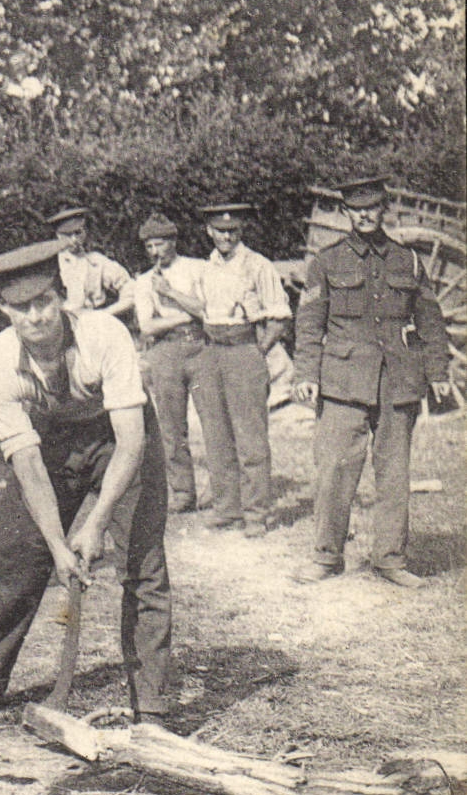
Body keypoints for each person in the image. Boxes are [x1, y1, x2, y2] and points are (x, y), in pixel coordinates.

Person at [0, 241, 173, 726]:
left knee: (142, 564)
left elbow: (131, 442)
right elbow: (26, 463)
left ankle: (149, 705)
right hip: (51, 447)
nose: (35, 317)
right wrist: (56, 545)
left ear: (62, 295)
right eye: (20, 308)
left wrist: (94, 524)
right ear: (3, 310)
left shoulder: (105, 335)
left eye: (44, 301)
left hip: (121, 439)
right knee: (13, 555)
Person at [292, 177, 451, 587]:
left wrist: (438, 372)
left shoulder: (408, 261)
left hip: (398, 380)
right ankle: (326, 556)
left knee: (394, 473)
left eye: (373, 208)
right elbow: (309, 323)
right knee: (334, 470)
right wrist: (306, 373)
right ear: (346, 213)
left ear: (385, 211)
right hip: (343, 380)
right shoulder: (327, 262)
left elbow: (431, 321)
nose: (364, 215)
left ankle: (390, 559)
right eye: (356, 209)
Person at [157, 202, 291, 537]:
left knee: (250, 437)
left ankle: (257, 513)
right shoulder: (208, 268)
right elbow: (202, 309)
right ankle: (227, 509)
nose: (226, 236)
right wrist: (171, 293)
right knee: (216, 436)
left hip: (243, 348)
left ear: (241, 229)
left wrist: (256, 352)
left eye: (232, 230)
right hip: (210, 350)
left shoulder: (258, 265)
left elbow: (280, 317)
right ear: (209, 231)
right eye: (219, 230)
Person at [133, 212, 208, 513]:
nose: (155, 252)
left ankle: (224, 490)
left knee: (213, 421)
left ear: (173, 241)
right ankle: (182, 492)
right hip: (164, 352)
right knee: (171, 427)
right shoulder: (143, 281)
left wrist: (170, 294)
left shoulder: (197, 269)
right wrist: (185, 314)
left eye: (160, 244)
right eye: (149, 246)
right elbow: (146, 326)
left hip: (200, 346)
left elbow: (209, 309)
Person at [45, 206, 135, 317]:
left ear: (85, 232)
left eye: (78, 233)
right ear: (58, 235)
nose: (73, 240)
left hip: (95, 321)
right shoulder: (52, 265)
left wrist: (106, 313)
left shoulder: (96, 261)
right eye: (67, 235)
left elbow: (129, 287)